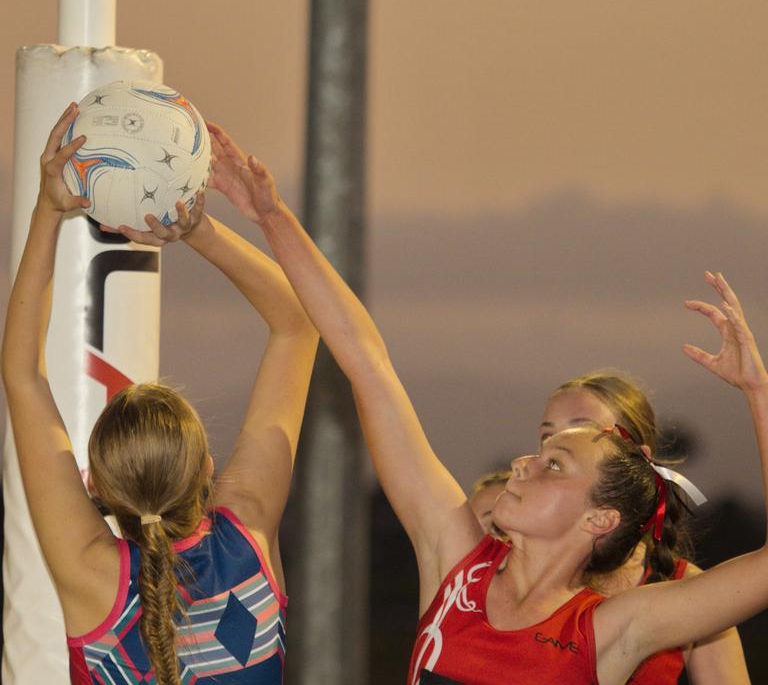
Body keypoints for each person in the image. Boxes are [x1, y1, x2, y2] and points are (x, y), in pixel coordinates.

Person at [224, 133, 768, 685]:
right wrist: (271, 217)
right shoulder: (454, 557)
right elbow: (367, 362)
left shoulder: (612, 629)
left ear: (599, 519)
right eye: (541, 448)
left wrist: (758, 391)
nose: (523, 463)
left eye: (555, 464)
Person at [1, 105, 319, 685]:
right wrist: (196, 228)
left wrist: (48, 211)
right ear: (206, 466)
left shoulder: (91, 574)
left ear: (93, 486)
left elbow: (22, 376)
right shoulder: (247, 535)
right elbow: (299, 322)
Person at [538, 370, 750, 682]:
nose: (555, 450)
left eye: (581, 433)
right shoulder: (510, 570)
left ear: (636, 458)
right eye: (547, 437)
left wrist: (757, 388)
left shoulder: (685, 589)